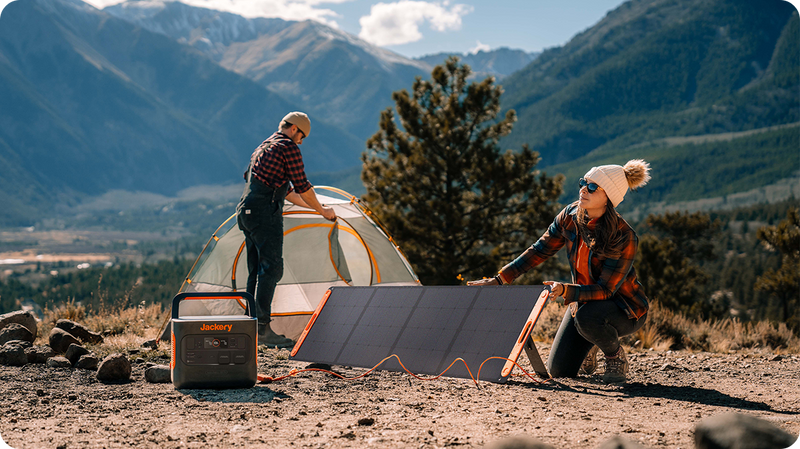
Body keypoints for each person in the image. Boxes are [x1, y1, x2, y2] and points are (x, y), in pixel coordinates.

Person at [468, 160, 651, 383]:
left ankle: (614, 356)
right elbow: (539, 250)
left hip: (625, 309)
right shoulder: (570, 216)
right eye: (584, 182)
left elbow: (606, 290)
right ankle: (591, 340)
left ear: (609, 198)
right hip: (583, 303)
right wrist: (500, 279)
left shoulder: (624, 236)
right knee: (560, 370)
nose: (584, 189)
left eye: (593, 187)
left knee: (586, 317)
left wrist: (566, 290)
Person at [236, 112, 336, 348]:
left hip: (246, 212)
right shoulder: (287, 147)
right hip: (264, 214)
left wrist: (317, 208)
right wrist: (323, 212)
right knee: (271, 269)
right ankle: (262, 329)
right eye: (302, 136)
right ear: (294, 130)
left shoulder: (263, 146)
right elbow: (302, 186)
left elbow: (289, 193)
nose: (301, 142)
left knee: (255, 271)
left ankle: (250, 325)